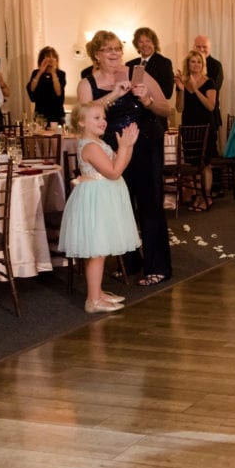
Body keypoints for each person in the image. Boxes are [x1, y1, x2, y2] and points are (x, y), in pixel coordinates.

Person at [78, 30, 173, 287]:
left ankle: (158, 266)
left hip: (144, 145)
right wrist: (114, 95)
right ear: (96, 54)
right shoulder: (87, 82)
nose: (115, 54)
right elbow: (84, 115)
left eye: (118, 49)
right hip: (110, 150)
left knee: (150, 204)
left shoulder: (136, 73)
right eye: (108, 49)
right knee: (121, 205)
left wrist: (146, 99)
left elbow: (167, 108)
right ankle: (131, 261)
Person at [57, 102, 140, 313]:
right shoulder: (90, 146)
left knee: (99, 250)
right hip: (97, 198)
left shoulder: (98, 143)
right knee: (97, 250)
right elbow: (113, 172)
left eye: (103, 117)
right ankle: (92, 300)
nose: (103, 121)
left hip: (105, 196)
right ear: (81, 122)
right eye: (96, 118)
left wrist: (128, 147)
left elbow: (120, 165)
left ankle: (98, 292)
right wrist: (123, 148)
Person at [173, 49, 218, 211]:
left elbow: (210, 106)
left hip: (206, 128)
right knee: (194, 165)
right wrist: (182, 89)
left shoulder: (209, 82)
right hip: (189, 129)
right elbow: (179, 108)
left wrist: (196, 89)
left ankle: (206, 197)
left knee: (205, 164)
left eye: (199, 61)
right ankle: (198, 195)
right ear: (188, 64)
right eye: (193, 61)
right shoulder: (182, 82)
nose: (196, 64)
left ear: (202, 64)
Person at [127, 27, 175, 104]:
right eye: (141, 42)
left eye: (148, 41)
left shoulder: (164, 63)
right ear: (137, 45)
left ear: (154, 43)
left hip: (154, 112)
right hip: (133, 112)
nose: (145, 45)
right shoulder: (130, 64)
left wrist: (144, 91)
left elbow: (167, 93)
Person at [193, 35, 224, 150]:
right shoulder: (189, 65)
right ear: (193, 47)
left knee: (208, 154)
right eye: (198, 47)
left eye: (204, 47)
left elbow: (215, 88)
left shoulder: (216, 65)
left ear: (209, 48)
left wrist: (194, 87)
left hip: (209, 115)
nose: (201, 49)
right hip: (192, 116)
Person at [27, 46, 67, 125]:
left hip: (56, 114)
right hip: (40, 114)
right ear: (42, 59)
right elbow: (31, 89)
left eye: (53, 57)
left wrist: (53, 73)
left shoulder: (61, 74)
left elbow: (59, 93)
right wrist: (40, 72)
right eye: (48, 57)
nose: (51, 60)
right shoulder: (36, 73)